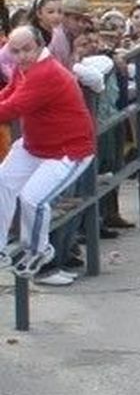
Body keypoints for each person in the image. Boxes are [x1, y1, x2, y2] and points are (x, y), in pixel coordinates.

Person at [0, 27, 97, 278]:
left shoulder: (46, 73)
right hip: (37, 144)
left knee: (33, 199)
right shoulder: (25, 68)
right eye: (15, 51)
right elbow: (8, 95)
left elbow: (12, 108)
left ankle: (38, 250)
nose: (21, 56)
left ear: (40, 46)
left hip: (69, 149)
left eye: (27, 50)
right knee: (3, 182)